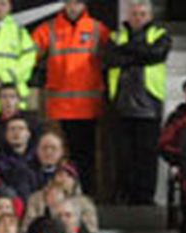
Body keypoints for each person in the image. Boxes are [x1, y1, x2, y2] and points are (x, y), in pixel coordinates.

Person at [32, 0, 110, 194]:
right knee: (56, 156)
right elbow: (27, 57)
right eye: (70, 2)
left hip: (88, 107)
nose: (73, 6)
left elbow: (112, 59)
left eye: (77, 2)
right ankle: (56, 195)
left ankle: (88, 197)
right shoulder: (48, 29)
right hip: (58, 107)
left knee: (87, 158)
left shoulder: (98, 29)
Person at [106, 0, 171, 205]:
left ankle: (144, 198)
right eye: (135, 13)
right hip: (121, 105)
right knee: (122, 157)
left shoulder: (160, 34)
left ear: (150, 16)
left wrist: (127, 52)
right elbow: (111, 58)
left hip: (149, 104)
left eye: (143, 14)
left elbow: (157, 54)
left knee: (147, 157)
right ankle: (124, 195)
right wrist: (141, 52)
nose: (138, 17)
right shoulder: (115, 36)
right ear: (128, 15)